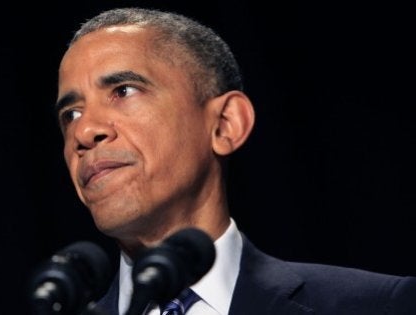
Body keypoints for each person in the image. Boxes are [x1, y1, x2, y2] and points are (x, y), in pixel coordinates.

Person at [53, 7, 416, 315]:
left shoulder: (377, 305)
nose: (84, 132)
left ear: (226, 125)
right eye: (70, 114)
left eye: (123, 91)